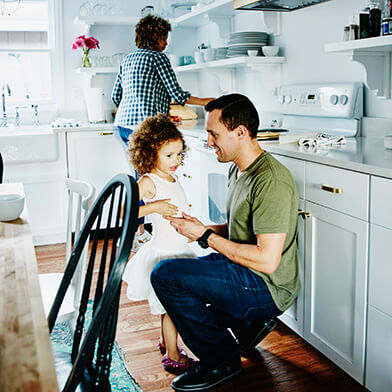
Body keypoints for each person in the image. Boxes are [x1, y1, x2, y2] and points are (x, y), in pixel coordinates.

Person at [150, 93, 300, 391]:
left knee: (164, 276)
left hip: (267, 285)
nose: (208, 141)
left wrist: (205, 236)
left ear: (240, 133)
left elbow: (267, 260)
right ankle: (246, 325)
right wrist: (202, 228)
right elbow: (237, 230)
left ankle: (222, 361)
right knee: (179, 276)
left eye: (213, 134)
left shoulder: (270, 181)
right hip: (243, 269)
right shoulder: (238, 168)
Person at [111, 14, 213, 250]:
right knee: (148, 179)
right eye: (164, 37)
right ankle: (135, 234)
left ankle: (139, 232)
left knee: (143, 176)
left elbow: (117, 95)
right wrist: (207, 101)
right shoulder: (158, 58)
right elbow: (177, 94)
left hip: (124, 124)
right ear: (155, 37)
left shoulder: (127, 59)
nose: (166, 43)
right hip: (148, 128)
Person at [122, 114, 198, 373]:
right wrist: (153, 206)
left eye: (179, 154)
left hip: (178, 249)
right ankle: (174, 355)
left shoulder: (170, 176)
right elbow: (125, 211)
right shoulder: (148, 181)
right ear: (149, 154)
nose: (176, 161)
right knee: (172, 308)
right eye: (169, 155)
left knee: (170, 306)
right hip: (164, 255)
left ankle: (168, 342)